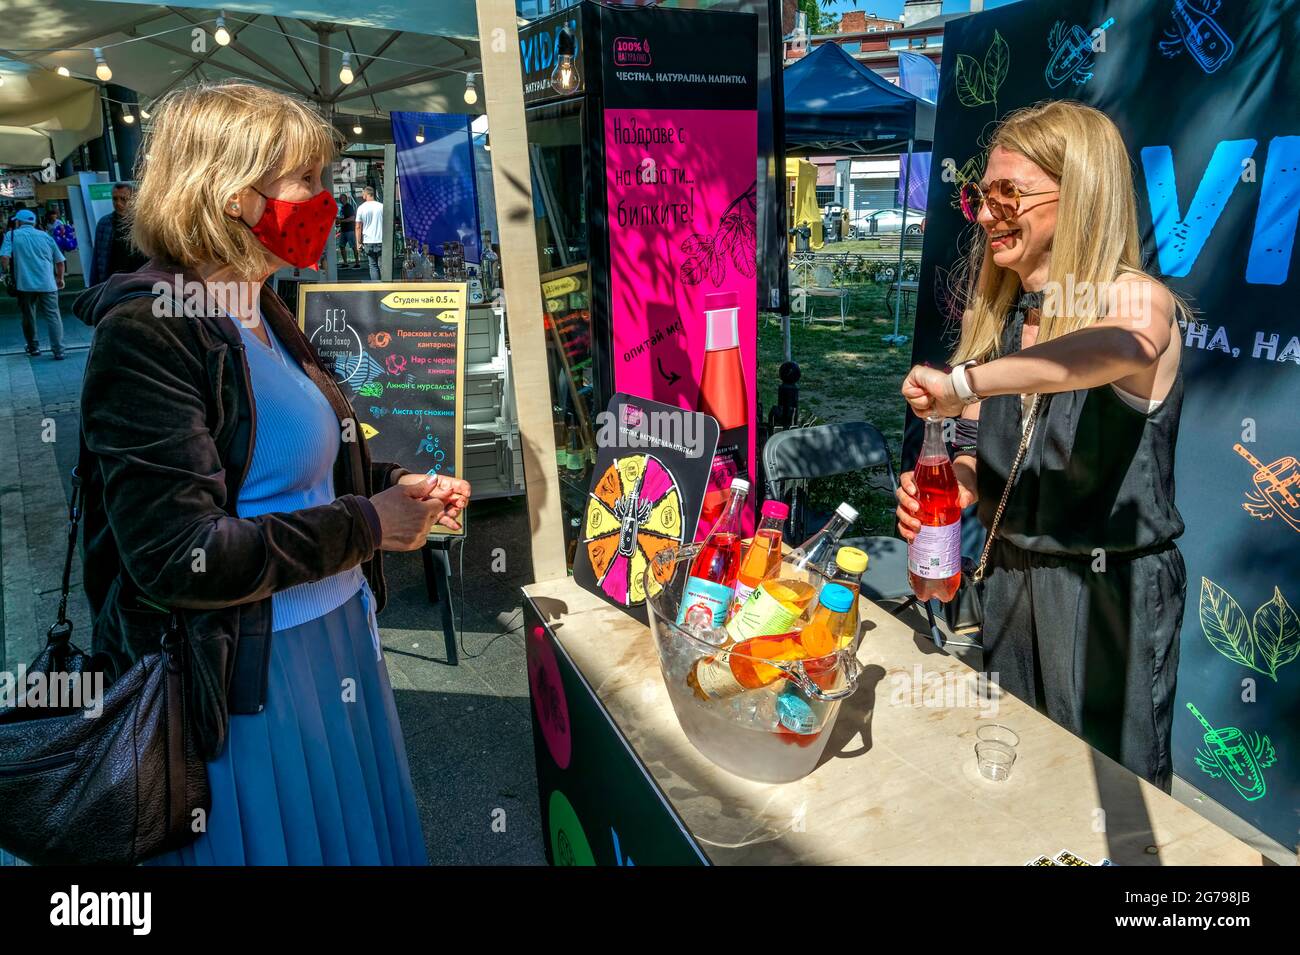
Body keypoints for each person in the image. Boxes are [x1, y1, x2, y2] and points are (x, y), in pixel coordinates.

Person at [72, 81, 470, 865]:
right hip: (249, 685)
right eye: (308, 180)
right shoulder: (148, 334)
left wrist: (394, 489)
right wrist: (365, 526)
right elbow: (174, 553)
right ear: (230, 196)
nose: (327, 199)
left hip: (332, 651)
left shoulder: (264, 307)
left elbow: (297, 470)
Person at [895, 101, 1187, 790]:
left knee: (1110, 800)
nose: (988, 214)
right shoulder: (995, 316)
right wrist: (960, 484)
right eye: (982, 195)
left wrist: (965, 381)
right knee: (1017, 780)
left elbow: (1122, 346)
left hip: (1105, 598)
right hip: (1009, 583)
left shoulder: (1141, 300)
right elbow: (978, 449)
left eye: (1010, 195)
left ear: (1080, 196)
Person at [1, 207, 66, 359]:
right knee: (53, 316)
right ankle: (58, 350)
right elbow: (60, 261)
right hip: (48, 283)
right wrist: (60, 278)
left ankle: (33, 347)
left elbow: (4, 258)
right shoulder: (45, 236)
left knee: (28, 315)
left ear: (18, 221)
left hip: (24, 284)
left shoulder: (11, 235)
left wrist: (6, 273)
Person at [89, 182, 147, 285]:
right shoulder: (104, 224)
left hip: (140, 281)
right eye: (115, 199)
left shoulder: (144, 224)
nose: (118, 203)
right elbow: (97, 258)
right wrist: (93, 287)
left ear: (134, 200)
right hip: (112, 282)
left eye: (123, 199)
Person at [355, 185, 384, 280]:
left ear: (367, 194)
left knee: (373, 265)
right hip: (381, 240)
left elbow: (358, 226)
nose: (362, 194)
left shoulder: (361, 208)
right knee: (382, 265)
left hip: (368, 241)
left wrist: (358, 242)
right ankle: (386, 286)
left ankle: (376, 287)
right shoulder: (381, 206)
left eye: (363, 192)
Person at [336, 192, 358, 267]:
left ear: (344, 199)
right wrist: (338, 221)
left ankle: (357, 263)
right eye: (339, 198)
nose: (339, 199)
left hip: (349, 230)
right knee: (341, 246)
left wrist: (341, 221)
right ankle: (345, 262)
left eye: (341, 198)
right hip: (343, 230)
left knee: (353, 246)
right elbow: (343, 217)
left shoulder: (349, 207)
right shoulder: (342, 208)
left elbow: (352, 218)